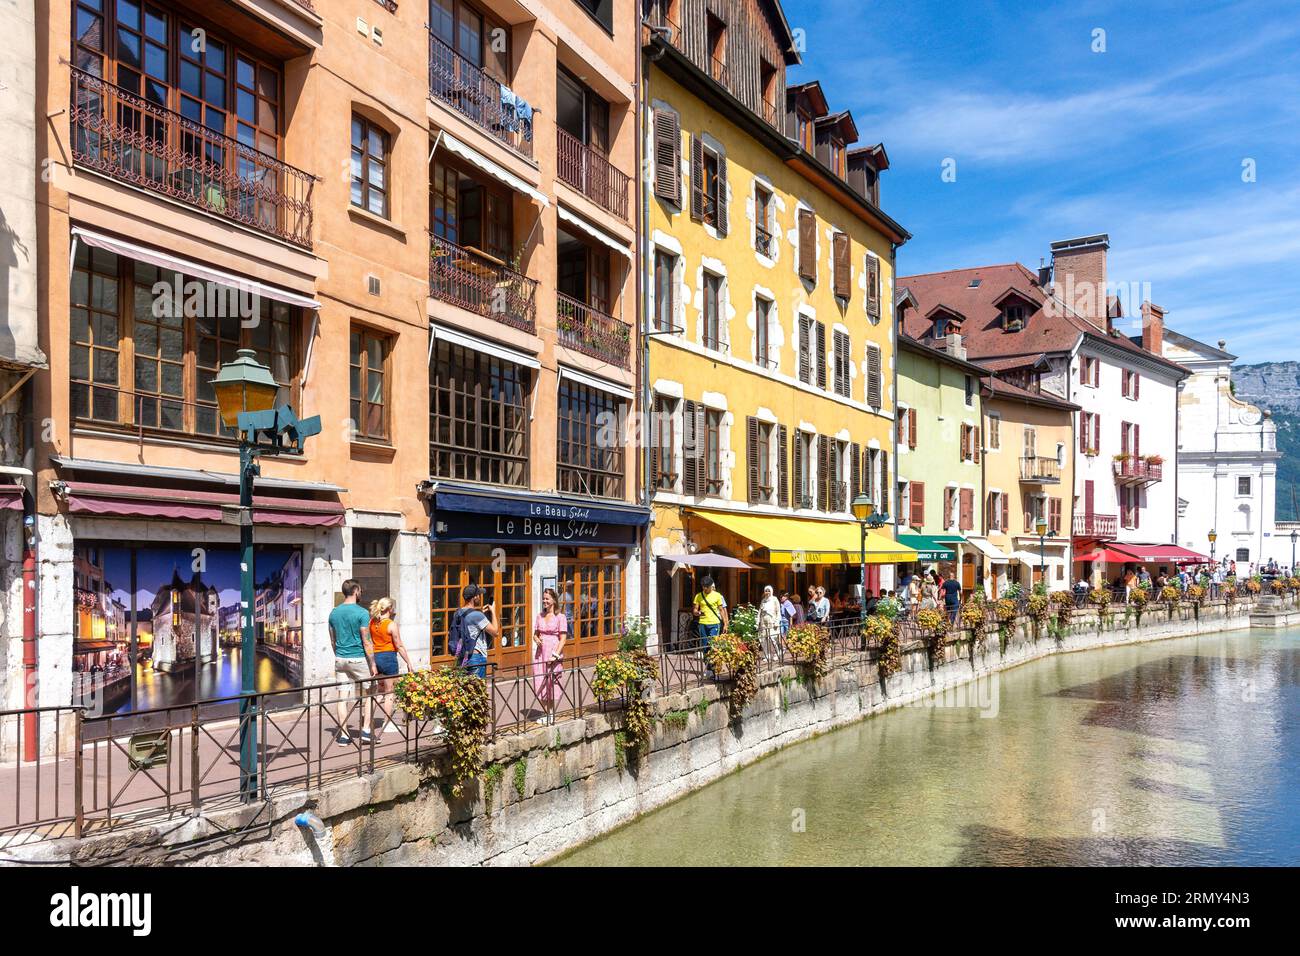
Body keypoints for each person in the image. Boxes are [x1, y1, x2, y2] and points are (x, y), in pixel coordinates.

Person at [328, 579, 375, 746]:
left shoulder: (333, 613)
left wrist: (339, 655)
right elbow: (366, 641)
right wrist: (373, 663)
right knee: (369, 694)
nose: (360, 593)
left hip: (340, 658)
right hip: (359, 658)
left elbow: (332, 639)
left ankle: (344, 735)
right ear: (356, 591)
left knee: (342, 697)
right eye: (360, 590)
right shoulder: (362, 613)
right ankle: (366, 731)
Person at [368, 596, 413, 740]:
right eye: (392, 607)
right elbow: (399, 645)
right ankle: (387, 724)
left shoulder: (372, 622)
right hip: (388, 658)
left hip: (376, 657)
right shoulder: (391, 624)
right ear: (389, 609)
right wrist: (408, 662)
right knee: (389, 693)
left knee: (378, 693)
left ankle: (368, 722)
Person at [531, 587, 567, 725]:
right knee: (540, 682)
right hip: (540, 653)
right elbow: (535, 634)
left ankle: (550, 714)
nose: (544, 601)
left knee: (551, 683)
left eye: (547, 598)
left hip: (552, 652)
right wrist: (536, 639)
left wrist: (555, 655)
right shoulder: (539, 616)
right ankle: (547, 713)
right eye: (544, 598)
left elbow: (563, 639)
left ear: (553, 600)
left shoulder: (560, 617)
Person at [453, 583, 498, 679]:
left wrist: (481, 613)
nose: (480, 597)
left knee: (466, 690)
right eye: (479, 595)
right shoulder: (477, 615)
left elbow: (470, 626)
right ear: (474, 597)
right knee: (478, 690)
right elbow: (495, 632)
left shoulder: (458, 613)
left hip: (461, 657)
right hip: (476, 658)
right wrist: (493, 611)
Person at [692, 575, 729, 657]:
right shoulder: (698, 596)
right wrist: (698, 613)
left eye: (706, 587)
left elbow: (721, 610)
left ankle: (713, 667)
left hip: (714, 623)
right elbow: (694, 610)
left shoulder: (717, 595)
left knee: (713, 644)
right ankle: (708, 666)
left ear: (711, 586)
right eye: (703, 586)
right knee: (705, 646)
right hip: (702, 623)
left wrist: (725, 624)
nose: (704, 588)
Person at [758, 585, 781, 661]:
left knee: (772, 639)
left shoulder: (774, 599)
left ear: (771, 591)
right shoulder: (763, 600)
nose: (767, 592)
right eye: (766, 591)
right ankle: (767, 655)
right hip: (763, 622)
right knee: (764, 639)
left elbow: (778, 611)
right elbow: (760, 611)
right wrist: (757, 620)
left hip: (772, 622)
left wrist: (777, 621)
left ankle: (776, 653)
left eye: (768, 591)